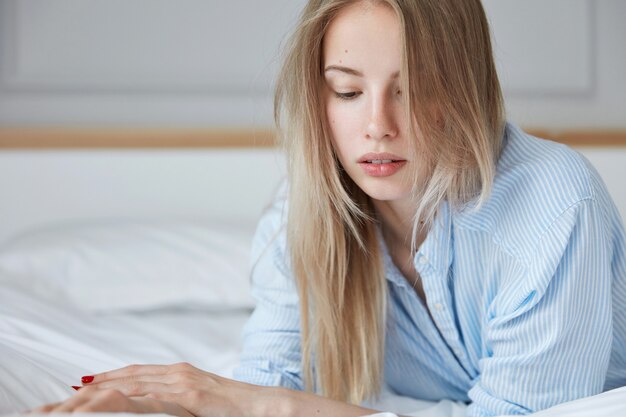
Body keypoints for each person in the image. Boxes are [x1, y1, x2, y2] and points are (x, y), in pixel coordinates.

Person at [32, 0, 626, 416]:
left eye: (412, 89)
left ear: (464, 88)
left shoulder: (553, 204)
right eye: (347, 91)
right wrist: (159, 401)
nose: (377, 127)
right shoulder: (308, 210)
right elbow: (265, 380)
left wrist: (276, 407)